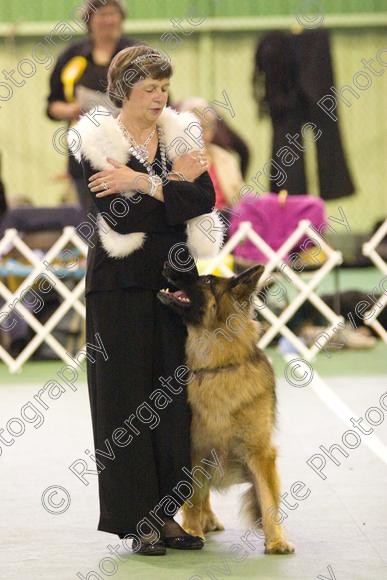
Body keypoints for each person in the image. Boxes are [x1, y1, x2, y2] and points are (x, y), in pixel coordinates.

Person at [69, 45, 223, 556]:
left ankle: (167, 513)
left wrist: (141, 181)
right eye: (148, 88)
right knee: (125, 403)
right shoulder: (95, 139)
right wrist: (168, 190)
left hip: (175, 285)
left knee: (173, 403)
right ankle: (138, 521)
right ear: (122, 90)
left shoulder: (179, 133)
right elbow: (121, 215)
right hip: (119, 288)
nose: (159, 98)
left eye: (163, 87)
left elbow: (203, 201)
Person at [46, 0, 138, 213]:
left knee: (131, 215)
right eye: (102, 15)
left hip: (131, 150)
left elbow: (162, 99)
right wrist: (70, 110)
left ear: (121, 18)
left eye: (113, 14)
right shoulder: (72, 55)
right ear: (89, 20)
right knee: (90, 218)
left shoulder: (135, 52)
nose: (108, 20)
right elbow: (52, 105)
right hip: (85, 152)